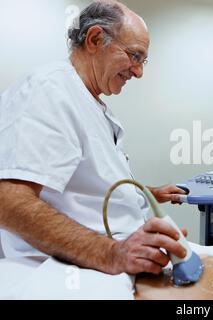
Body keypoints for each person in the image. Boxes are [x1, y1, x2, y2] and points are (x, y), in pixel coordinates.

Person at [0, 1, 189, 276]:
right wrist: (112, 254)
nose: (139, 72)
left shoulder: (88, 101)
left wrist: (147, 192)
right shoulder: (48, 91)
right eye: (135, 56)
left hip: (113, 256)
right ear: (95, 39)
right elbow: (9, 201)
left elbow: (85, 187)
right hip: (73, 270)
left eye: (142, 60)